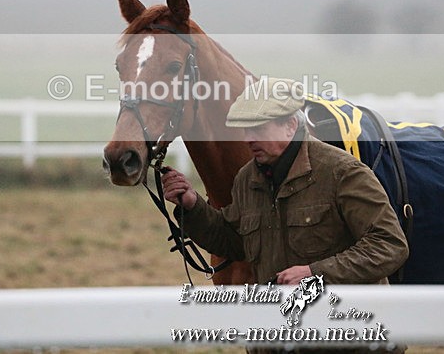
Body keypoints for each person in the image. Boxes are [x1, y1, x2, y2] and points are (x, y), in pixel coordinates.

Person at [162, 78, 409, 353]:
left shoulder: (343, 172)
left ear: (291, 125)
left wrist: (315, 274)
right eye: (245, 130)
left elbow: (389, 245)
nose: (248, 139)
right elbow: (234, 241)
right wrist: (193, 205)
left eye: (258, 128)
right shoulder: (248, 178)